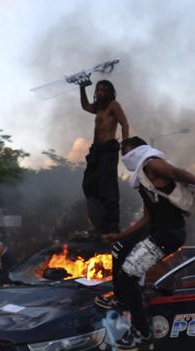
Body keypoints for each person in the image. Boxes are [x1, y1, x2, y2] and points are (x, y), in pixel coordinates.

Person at [95, 136, 195, 351]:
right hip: (156, 229)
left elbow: (174, 171)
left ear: (136, 150)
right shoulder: (144, 178)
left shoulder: (151, 162)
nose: (124, 158)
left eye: (125, 151)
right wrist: (120, 236)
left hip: (168, 234)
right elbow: (147, 217)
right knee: (119, 250)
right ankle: (121, 298)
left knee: (130, 273)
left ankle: (142, 332)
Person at [79, 79, 129, 235]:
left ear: (109, 92)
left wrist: (125, 146)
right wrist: (82, 88)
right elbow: (85, 106)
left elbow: (125, 124)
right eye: (98, 89)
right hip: (96, 152)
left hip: (108, 150)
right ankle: (99, 224)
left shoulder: (113, 105)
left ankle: (112, 227)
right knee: (89, 185)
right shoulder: (98, 108)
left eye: (103, 89)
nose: (100, 92)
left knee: (108, 188)